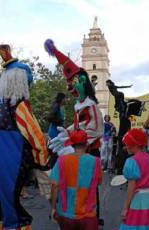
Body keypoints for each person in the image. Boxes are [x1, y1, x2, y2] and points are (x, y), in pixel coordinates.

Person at [0, 44, 49, 229]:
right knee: (10, 203)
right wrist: (43, 162)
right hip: (12, 162)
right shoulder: (19, 106)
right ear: (22, 82)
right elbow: (35, 137)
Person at [45, 39, 104, 225]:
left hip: (88, 151)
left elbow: (96, 128)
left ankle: (92, 215)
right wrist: (65, 134)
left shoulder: (91, 105)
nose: (71, 88)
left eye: (73, 83)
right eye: (69, 84)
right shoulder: (80, 106)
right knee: (76, 185)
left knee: (90, 186)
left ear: (83, 82)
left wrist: (76, 142)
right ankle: (76, 213)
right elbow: (79, 125)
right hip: (79, 151)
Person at [49, 130, 102, 230]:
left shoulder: (61, 160)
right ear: (86, 144)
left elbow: (55, 186)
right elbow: (98, 182)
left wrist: (53, 208)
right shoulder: (96, 161)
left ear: (72, 145)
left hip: (66, 213)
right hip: (88, 214)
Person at [120, 128, 149, 230]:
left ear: (135, 145)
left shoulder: (131, 162)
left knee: (136, 225)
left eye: (128, 143)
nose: (126, 146)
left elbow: (131, 187)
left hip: (138, 201)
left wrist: (125, 208)